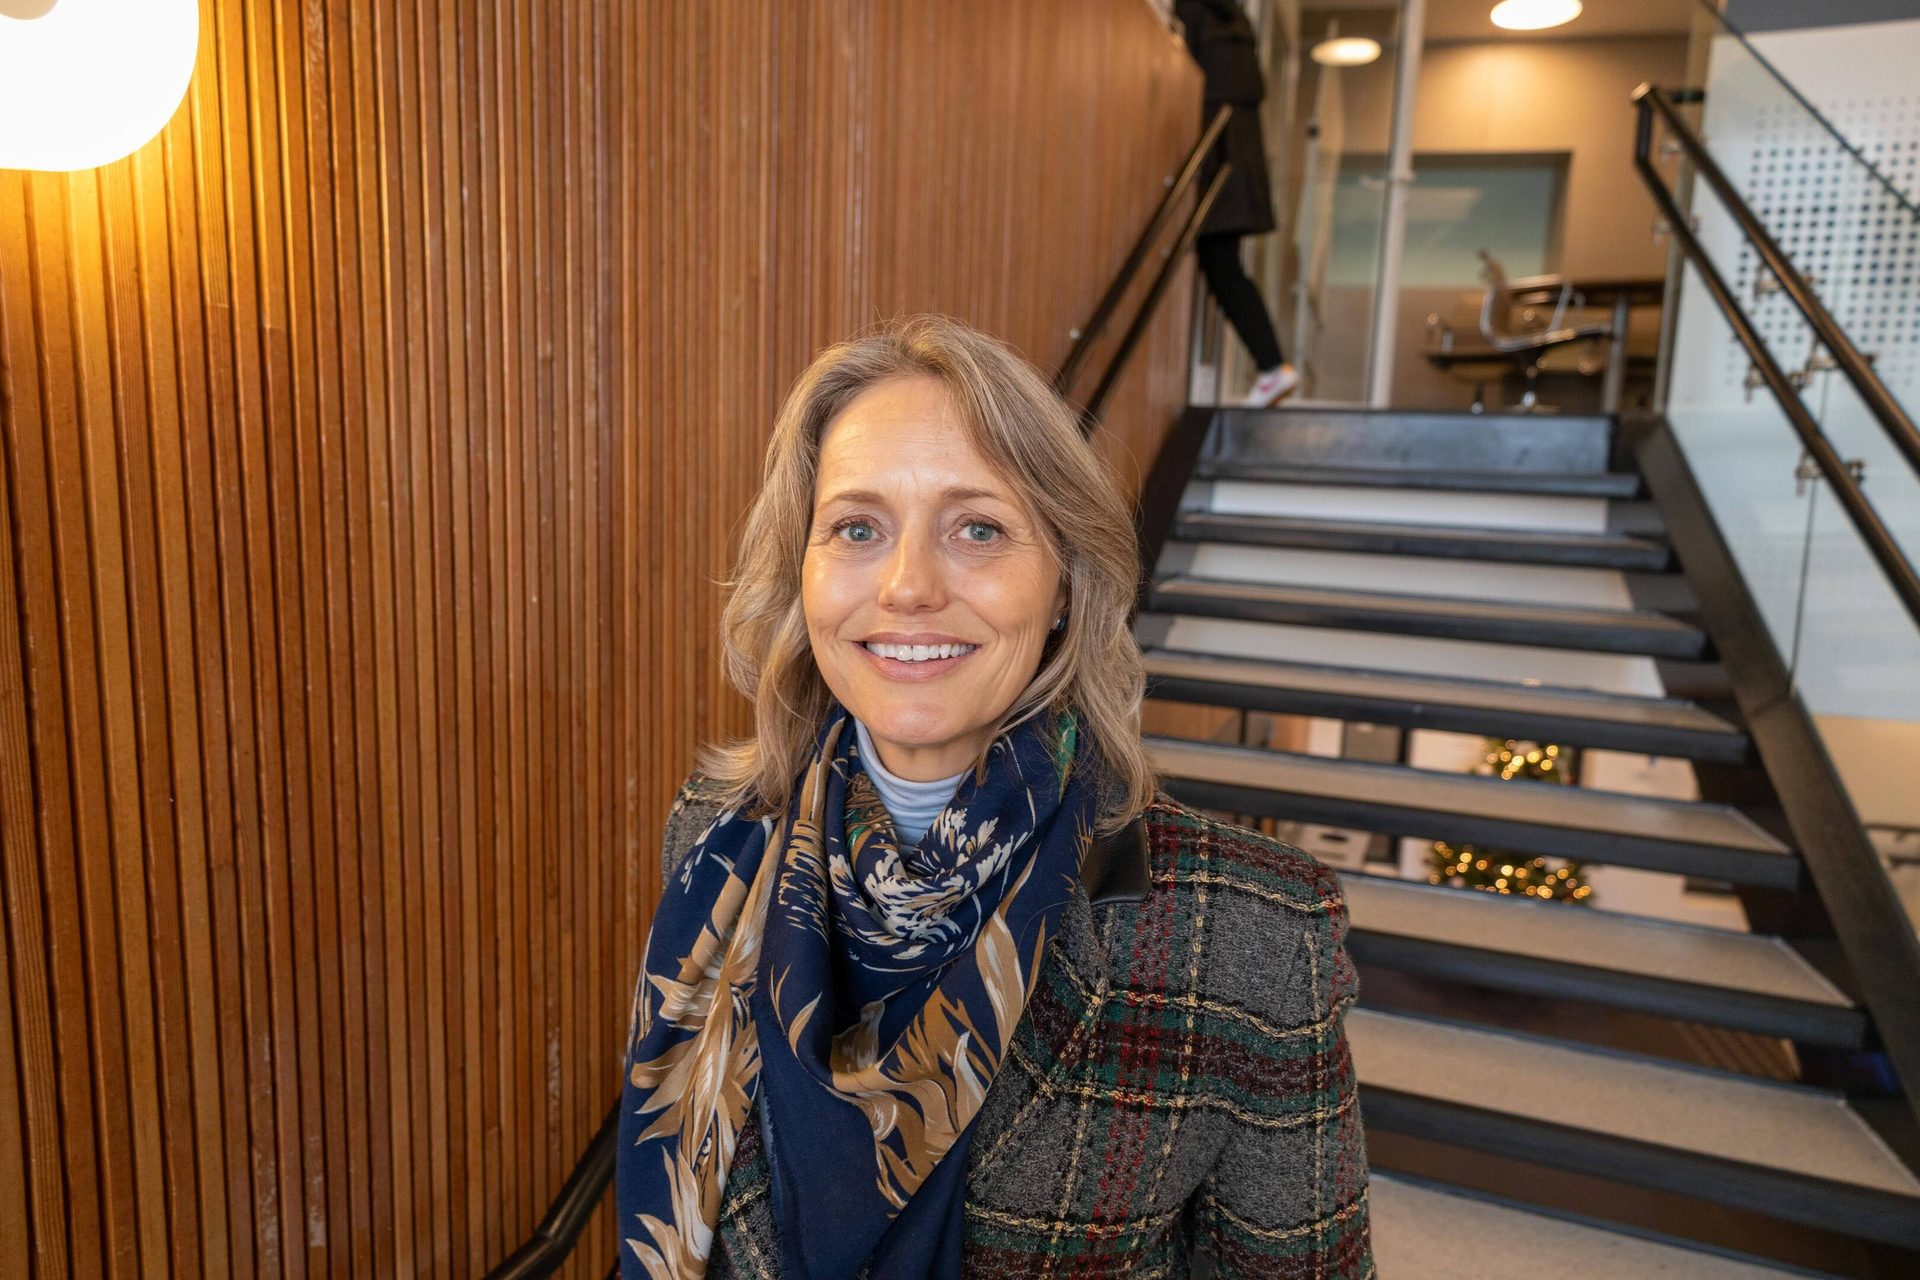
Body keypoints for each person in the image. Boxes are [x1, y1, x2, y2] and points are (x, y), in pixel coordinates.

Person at [617, 315, 1371, 1279]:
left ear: (1065, 583)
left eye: (978, 528)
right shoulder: (718, 844)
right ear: (799, 572)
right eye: (857, 527)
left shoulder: (1256, 936)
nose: (907, 587)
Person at [1176, 0, 1298, 407]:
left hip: (1219, 164)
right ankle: (1273, 366)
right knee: (1222, 263)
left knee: (1220, 264)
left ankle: (1273, 366)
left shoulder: (1194, 15)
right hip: (1240, 166)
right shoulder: (1235, 23)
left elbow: (1188, 88)